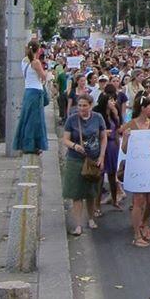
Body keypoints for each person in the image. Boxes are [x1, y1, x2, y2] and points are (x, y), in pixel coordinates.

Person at [62, 94, 107, 236]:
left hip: (93, 159)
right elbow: (65, 139)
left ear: (90, 105)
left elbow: (103, 136)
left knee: (91, 192)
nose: (81, 108)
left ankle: (91, 218)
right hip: (75, 159)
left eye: (84, 105)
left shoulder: (98, 118)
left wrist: (101, 156)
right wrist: (74, 146)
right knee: (77, 194)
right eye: (79, 105)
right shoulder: (72, 119)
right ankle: (78, 224)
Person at [121, 92, 150, 247]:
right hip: (137, 168)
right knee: (138, 200)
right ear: (143, 108)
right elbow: (124, 150)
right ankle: (137, 234)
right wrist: (127, 138)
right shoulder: (131, 125)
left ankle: (144, 222)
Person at [13, 40, 49, 155]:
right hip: (36, 91)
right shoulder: (36, 62)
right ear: (38, 50)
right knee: (36, 120)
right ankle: (33, 145)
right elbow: (43, 77)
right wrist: (47, 73)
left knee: (26, 118)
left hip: (28, 90)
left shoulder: (24, 61)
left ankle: (25, 143)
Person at [92, 91, 122, 214]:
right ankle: (96, 205)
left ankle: (115, 200)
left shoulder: (114, 114)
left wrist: (116, 114)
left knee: (112, 175)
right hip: (103, 146)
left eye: (114, 100)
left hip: (113, 147)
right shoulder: (98, 115)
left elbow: (119, 128)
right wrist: (105, 133)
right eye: (111, 100)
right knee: (100, 176)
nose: (113, 102)